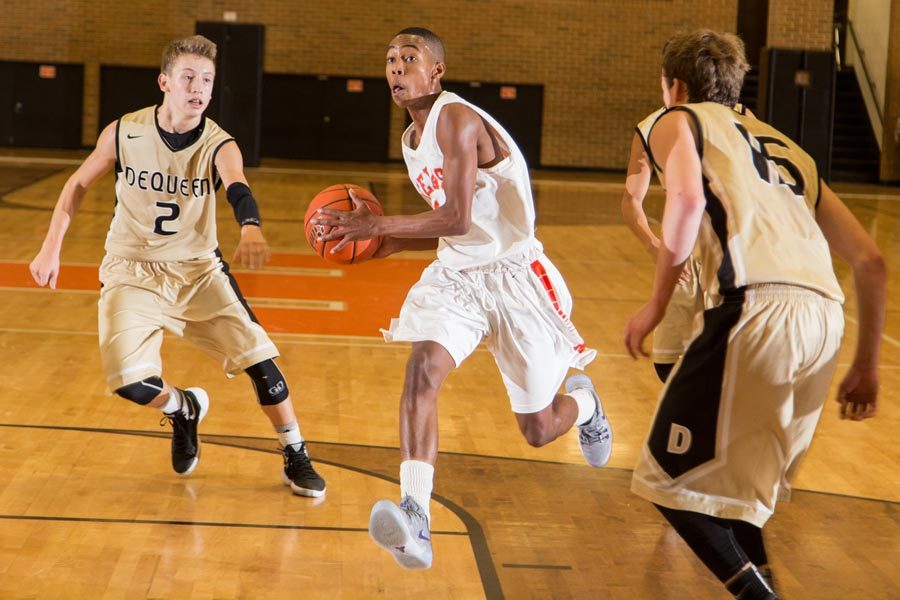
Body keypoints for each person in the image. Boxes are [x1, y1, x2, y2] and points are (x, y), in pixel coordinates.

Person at [313, 27, 612, 569]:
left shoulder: (456, 118)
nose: (397, 67)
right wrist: (377, 245)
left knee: (540, 429)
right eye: (389, 59)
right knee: (422, 369)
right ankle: (416, 517)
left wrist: (376, 223)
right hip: (458, 276)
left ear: (437, 72)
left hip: (516, 278)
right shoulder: (411, 139)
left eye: (410, 57)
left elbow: (457, 216)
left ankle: (587, 404)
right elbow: (449, 232)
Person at [623, 30, 885, 600]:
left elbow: (688, 202)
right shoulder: (790, 147)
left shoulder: (677, 119)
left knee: (665, 484)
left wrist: (657, 303)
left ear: (676, 85)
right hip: (826, 322)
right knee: (741, 497)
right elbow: (870, 261)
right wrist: (867, 366)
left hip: (755, 309)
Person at [29, 35, 325, 498]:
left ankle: (296, 453)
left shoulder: (218, 143)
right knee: (130, 384)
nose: (199, 88)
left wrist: (250, 227)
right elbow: (78, 184)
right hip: (131, 269)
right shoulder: (124, 132)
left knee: (262, 364)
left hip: (196, 271)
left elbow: (238, 187)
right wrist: (52, 247)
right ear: (164, 81)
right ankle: (183, 407)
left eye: (207, 80)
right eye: (188, 77)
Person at [622, 101, 753, 382]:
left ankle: (715, 420)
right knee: (666, 361)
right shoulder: (651, 126)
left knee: (731, 361)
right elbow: (631, 200)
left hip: (730, 252)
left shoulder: (740, 116)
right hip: (683, 251)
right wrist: (652, 245)